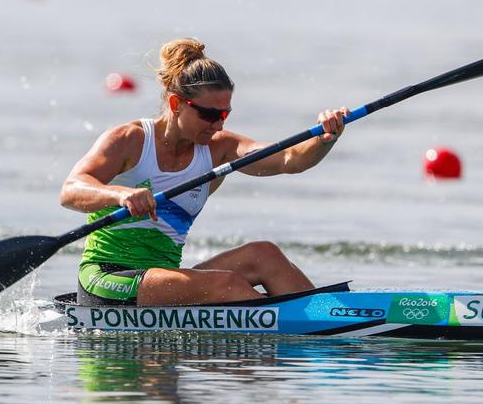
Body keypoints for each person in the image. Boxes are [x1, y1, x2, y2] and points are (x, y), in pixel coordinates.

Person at [60, 38, 348, 306]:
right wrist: (121, 195)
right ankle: (309, 326)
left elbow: (288, 159)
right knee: (227, 283)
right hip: (108, 278)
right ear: (176, 104)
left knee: (265, 254)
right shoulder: (130, 139)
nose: (218, 125)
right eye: (210, 115)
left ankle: (329, 314)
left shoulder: (218, 148)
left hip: (164, 277)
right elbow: (71, 189)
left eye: (225, 115)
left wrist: (325, 138)